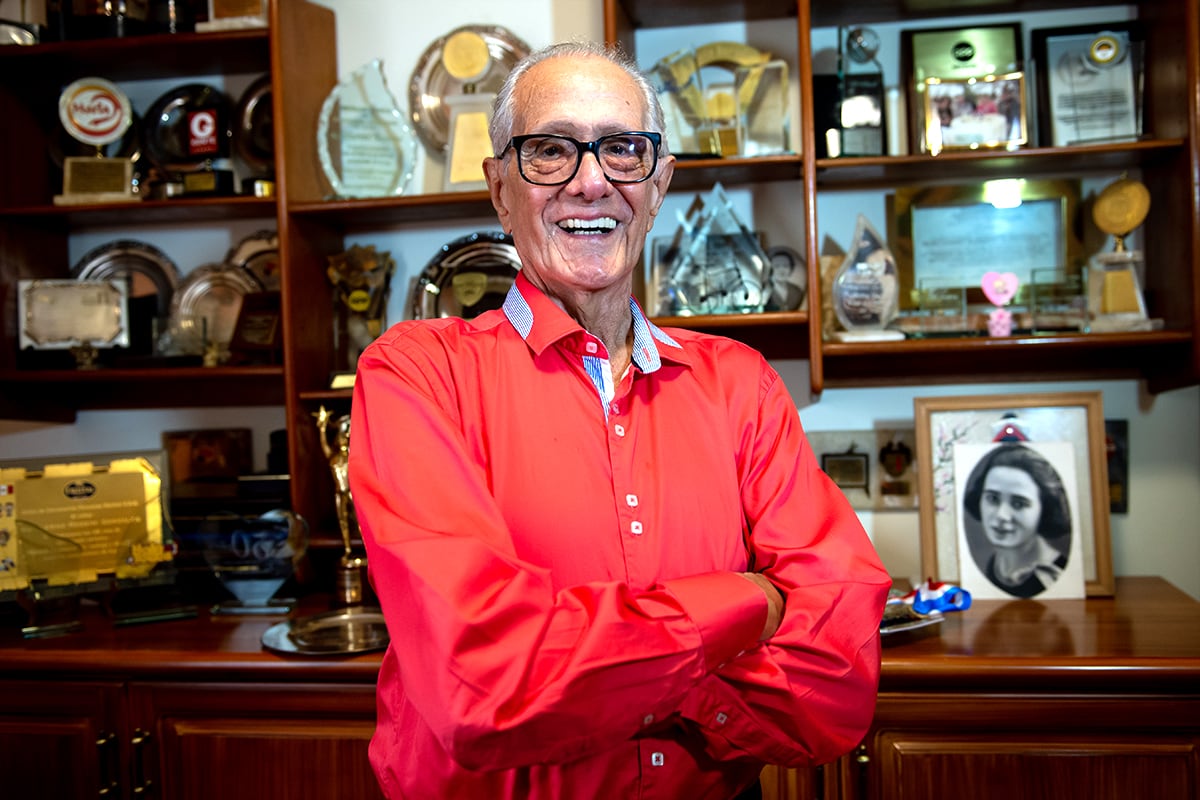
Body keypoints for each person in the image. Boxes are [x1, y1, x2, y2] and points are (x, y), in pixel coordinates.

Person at [348, 40, 890, 800]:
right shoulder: (417, 373)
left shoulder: (740, 383)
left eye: (622, 149)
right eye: (550, 150)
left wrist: (603, 673)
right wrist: (749, 604)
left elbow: (835, 680)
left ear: (658, 183)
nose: (591, 181)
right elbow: (487, 688)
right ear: (500, 188)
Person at [962, 443, 1073, 599]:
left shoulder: (1055, 575)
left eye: (1019, 504)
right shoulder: (996, 566)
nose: (1002, 515)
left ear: (1045, 508)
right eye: (992, 499)